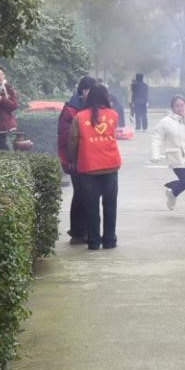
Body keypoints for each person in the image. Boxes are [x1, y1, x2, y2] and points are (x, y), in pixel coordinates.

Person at [66, 84, 123, 250]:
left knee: (91, 206)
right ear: (105, 97)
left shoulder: (79, 117)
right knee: (110, 204)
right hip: (110, 165)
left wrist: (74, 159)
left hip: (88, 166)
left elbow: (72, 141)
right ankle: (109, 240)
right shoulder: (114, 114)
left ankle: (93, 241)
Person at [58, 76, 97, 244]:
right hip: (75, 159)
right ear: (82, 91)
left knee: (86, 194)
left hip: (91, 159)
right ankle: (79, 232)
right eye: (88, 89)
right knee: (82, 193)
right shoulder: (71, 110)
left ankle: (81, 231)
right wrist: (70, 159)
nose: (91, 93)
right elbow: (65, 137)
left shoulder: (95, 108)